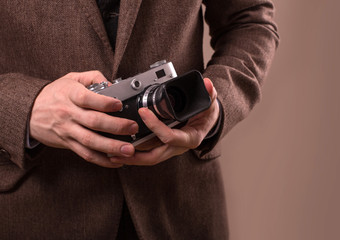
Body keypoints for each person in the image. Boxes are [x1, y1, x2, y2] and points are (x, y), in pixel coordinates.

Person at [0, 0, 279, 239]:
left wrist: (215, 103)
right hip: (33, 207)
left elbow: (250, 20)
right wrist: (25, 106)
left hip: (180, 204)